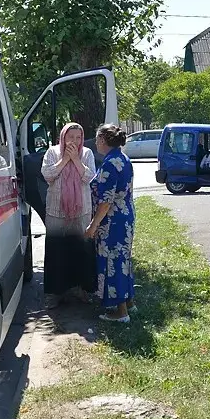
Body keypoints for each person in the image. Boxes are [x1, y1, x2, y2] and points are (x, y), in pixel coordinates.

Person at [40, 122, 97, 309]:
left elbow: (89, 177)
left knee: (81, 249)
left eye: (78, 137)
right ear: (63, 137)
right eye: (70, 137)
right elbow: (47, 175)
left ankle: (81, 289)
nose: (74, 141)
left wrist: (76, 160)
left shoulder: (87, 153)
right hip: (57, 211)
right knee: (57, 252)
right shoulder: (52, 152)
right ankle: (55, 293)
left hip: (81, 211)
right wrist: (65, 159)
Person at [85, 124, 135, 323]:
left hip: (113, 220)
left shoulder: (109, 164)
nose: (96, 142)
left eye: (97, 139)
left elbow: (105, 201)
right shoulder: (123, 158)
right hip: (126, 216)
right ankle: (130, 301)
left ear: (104, 141)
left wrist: (92, 226)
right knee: (124, 259)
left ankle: (121, 312)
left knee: (113, 262)